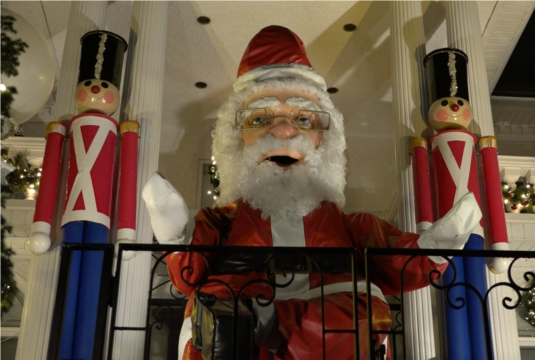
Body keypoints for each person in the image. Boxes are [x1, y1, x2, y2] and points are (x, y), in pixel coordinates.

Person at [142, 25, 481, 360]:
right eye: (260, 120)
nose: (285, 130)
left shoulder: (350, 225)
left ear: (325, 142)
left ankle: (270, 324)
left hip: (314, 311)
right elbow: (190, 274)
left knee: (367, 310)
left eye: (304, 120)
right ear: (235, 141)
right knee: (216, 314)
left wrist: (434, 247)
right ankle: (267, 325)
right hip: (244, 302)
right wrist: (176, 234)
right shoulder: (222, 220)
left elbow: (392, 259)